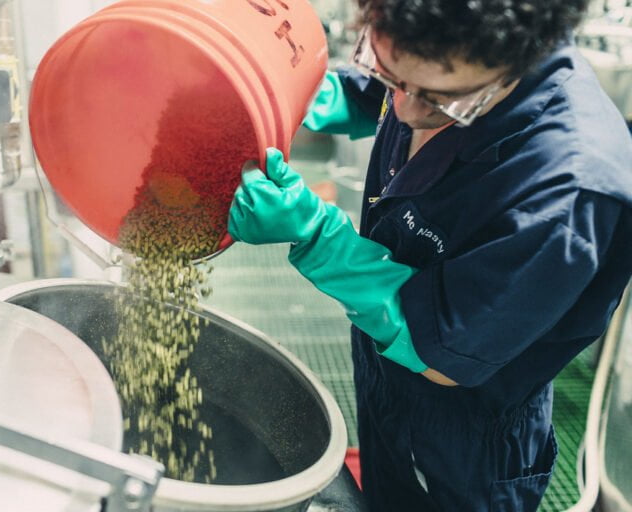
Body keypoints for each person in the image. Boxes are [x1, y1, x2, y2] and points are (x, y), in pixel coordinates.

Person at [227, 0, 632, 510]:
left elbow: (440, 356)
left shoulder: (564, 196)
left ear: (517, 61)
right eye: (388, 72)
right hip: (383, 373)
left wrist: (316, 235)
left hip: (464, 439)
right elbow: (375, 96)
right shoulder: (432, 57)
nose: (404, 110)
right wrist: (285, 96)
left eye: (440, 100)